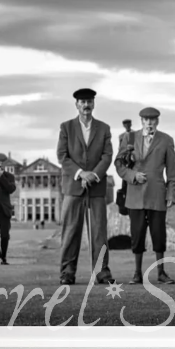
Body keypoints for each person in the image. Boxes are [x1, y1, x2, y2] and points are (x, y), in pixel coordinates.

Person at [55, 88, 115, 285]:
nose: (86, 105)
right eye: (82, 102)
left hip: (96, 187)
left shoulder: (104, 128)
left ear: (93, 104)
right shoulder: (66, 127)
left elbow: (107, 156)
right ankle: (67, 274)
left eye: (89, 101)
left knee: (99, 233)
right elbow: (62, 156)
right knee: (70, 232)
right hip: (73, 187)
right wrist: (81, 174)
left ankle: (102, 273)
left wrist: (94, 175)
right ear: (77, 105)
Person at [115, 107, 175, 285]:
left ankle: (161, 272)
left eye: (153, 120)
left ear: (157, 121)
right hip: (135, 195)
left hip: (157, 195)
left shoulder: (166, 140)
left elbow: (172, 171)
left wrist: (171, 193)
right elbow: (119, 164)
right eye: (146, 120)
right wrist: (132, 176)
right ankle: (137, 273)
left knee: (159, 234)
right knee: (137, 235)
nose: (149, 123)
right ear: (141, 121)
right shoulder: (130, 138)